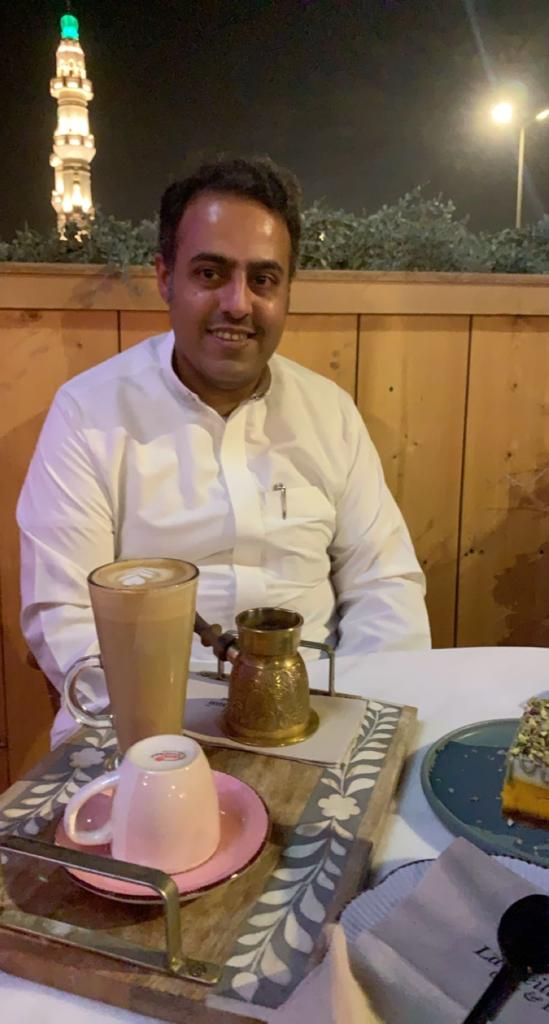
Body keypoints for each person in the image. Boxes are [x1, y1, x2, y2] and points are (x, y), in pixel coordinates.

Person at [17, 155, 430, 746]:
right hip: (146, 723)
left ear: (286, 292)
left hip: (320, 714)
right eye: (210, 273)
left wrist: (365, 720)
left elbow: (384, 584)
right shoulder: (89, 413)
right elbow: (63, 612)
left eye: (263, 279)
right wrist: (157, 729)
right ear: (165, 278)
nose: (238, 303)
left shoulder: (329, 412)